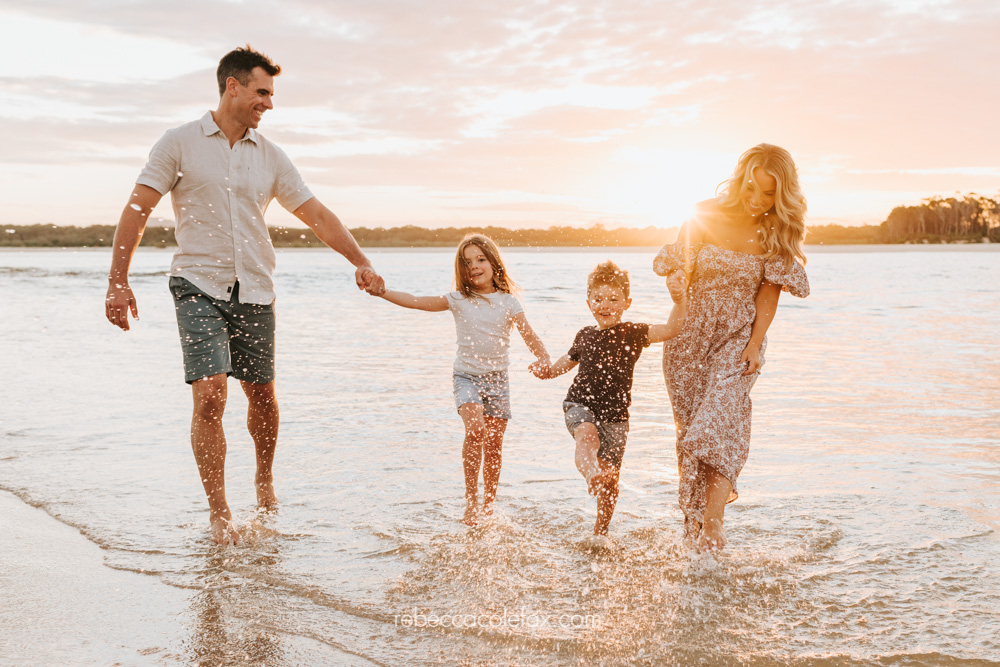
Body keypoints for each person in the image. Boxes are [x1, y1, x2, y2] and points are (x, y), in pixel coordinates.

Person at [104, 45, 385, 546]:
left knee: (262, 397)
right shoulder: (179, 143)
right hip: (196, 283)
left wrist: (360, 261)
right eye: (262, 92)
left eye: (271, 95)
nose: (268, 104)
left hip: (256, 288)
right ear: (232, 86)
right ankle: (220, 512)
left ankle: (264, 479)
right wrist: (117, 280)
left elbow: (316, 214)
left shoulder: (272, 156)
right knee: (210, 394)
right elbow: (138, 206)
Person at [653, 143, 810, 553]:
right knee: (690, 432)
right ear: (740, 179)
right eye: (752, 189)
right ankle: (693, 535)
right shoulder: (704, 213)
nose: (758, 201)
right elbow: (679, 270)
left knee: (718, 422)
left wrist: (756, 344)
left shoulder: (778, 230)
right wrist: (673, 282)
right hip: (688, 336)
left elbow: (768, 296)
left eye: (768, 194)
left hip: (739, 337)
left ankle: (715, 522)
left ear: (782, 194)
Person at [372, 234, 550, 526]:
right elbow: (417, 302)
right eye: (467, 262)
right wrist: (383, 292)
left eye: (480, 259)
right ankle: (471, 503)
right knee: (476, 430)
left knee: (493, 445)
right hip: (466, 377)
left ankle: (489, 504)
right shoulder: (458, 299)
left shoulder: (509, 302)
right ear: (461, 270)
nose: (475, 266)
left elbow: (529, 334)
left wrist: (543, 357)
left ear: (493, 262)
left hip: (498, 381)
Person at [531, 261, 688, 542]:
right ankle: (591, 473)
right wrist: (546, 372)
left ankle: (600, 532)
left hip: (615, 417)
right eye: (598, 299)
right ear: (588, 302)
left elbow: (672, 329)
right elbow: (564, 365)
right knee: (586, 436)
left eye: (613, 299)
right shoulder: (585, 335)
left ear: (627, 302)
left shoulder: (634, 332)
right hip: (579, 403)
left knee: (612, 481)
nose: (605, 304)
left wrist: (679, 300)